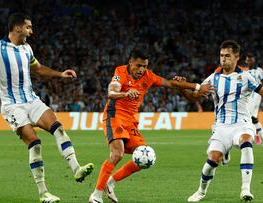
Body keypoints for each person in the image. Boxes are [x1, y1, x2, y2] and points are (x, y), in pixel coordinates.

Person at [0, 13, 94, 203]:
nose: (31, 31)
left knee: (58, 127)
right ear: (17, 28)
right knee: (35, 142)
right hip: (12, 107)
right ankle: (44, 193)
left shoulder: (27, 49)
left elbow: (38, 68)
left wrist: (60, 74)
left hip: (32, 100)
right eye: (28, 27)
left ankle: (76, 168)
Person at [88, 49, 214, 203]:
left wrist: (197, 86)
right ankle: (96, 195)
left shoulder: (149, 76)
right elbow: (111, 93)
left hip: (131, 121)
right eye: (139, 65)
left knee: (145, 157)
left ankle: (110, 182)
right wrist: (125, 93)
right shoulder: (120, 72)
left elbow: (171, 83)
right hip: (115, 116)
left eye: (145, 66)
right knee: (117, 154)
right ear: (131, 62)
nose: (142, 70)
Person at [178, 40, 263, 202]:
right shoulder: (213, 78)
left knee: (246, 142)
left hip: (242, 123)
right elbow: (194, 97)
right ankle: (201, 191)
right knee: (212, 160)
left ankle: (245, 190)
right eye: (221, 56)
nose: (223, 59)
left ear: (237, 57)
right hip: (221, 127)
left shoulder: (246, 77)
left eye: (227, 56)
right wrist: (181, 88)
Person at [245, 53, 263, 146]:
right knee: (253, 118)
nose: (249, 61)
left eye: (251, 59)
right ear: (246, 61)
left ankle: (254, 136)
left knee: (248, 118)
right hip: (248, 97)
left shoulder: (259, 70)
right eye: (248, 60)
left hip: (255, 96)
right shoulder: (244, 71)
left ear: (254, 60)